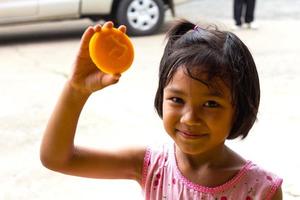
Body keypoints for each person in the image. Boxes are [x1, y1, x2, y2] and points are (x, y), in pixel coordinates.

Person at [40, 20, 283, 199]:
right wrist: (76, 90)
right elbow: (57, 158)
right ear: (161, 97)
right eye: (177, 100)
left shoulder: (261, 189)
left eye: (211, 104)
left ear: (239, 109)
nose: (190, 118)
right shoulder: (150, 165)